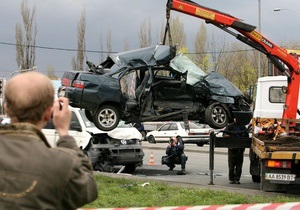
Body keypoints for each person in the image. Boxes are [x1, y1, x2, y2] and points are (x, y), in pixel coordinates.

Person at [0, 72, 98, 210]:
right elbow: (88, 190)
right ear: (48, 114)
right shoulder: (61, 164)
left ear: (7, 109)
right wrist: (64, 134)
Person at [223, 118, 249, 184]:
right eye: (235, 118)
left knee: (239, 165)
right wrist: (226, 136)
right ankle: (231, 178)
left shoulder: (242, 127)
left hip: (240, 149)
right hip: (232, 149)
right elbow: (224, 134)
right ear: (234, 119)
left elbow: (246, 136)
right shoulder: (230, 126)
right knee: (231, 165)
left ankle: (237, 178)